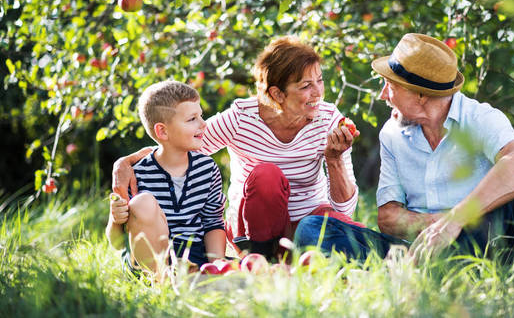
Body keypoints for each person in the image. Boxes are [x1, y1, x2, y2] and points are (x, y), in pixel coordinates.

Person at [294, 33, 514, 264]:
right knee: (312, 229)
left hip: (483, 247)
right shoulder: (392, 133)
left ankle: (431, 271)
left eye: (389, 86)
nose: (383, 95)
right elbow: (388, 219)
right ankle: (420, 271)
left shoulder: (479, 118)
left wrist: (456, 221)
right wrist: (437, 227)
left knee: (513, 188)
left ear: (420, 95)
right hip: (418, 250)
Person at [112, 36, 363, 259]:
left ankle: (398, 253)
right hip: (253, 229)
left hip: (307, 222)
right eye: (306, 86)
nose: (318, 92)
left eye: (319, 80)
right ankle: (262, 262)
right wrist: (126, 162)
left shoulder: (329, 119)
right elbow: (181, 144)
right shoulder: (241, 119)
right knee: (267, 175)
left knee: (340, 229)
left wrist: (335, 159)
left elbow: (344, 209)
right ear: (277, 94)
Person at [105, 81, 226, 277]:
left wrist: (217, 264)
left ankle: (189, 276)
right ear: (162, 131)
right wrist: (115, 219)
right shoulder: (137, 173)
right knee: (142, 202)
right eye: (192, 119)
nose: (203, 124)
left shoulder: (207, 168)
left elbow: (212, 222)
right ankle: (159, 279)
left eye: (201, 115)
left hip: (193, 256)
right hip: (147, 258)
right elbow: (117, 242)